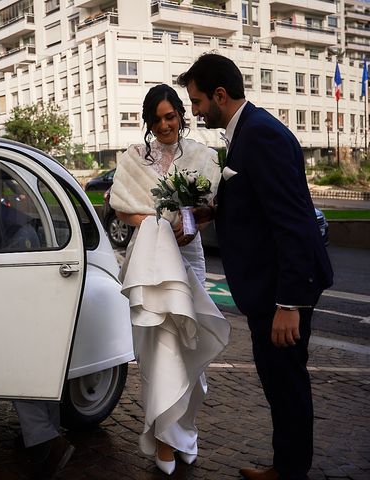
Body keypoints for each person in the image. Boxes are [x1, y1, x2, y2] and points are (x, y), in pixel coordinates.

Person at [177, 53, 333, 480]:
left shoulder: (260, 135)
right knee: (277, 382)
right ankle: (284, 465)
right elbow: (259, 205)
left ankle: (290, 471)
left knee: (286, 384)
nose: (194, 110)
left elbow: (293, 223)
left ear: (220, 95)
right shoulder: (247, 130)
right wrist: (214, 213)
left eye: (196, 101)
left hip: (279, 290)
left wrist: (290, 303)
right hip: (267, 286)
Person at [109, 84, 230, 475]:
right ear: (148, 122)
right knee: (162, 346)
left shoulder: (200, 156)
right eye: (156, 119)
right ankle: (163, 439)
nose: (164, 125)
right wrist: (157, 223)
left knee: (191, 345)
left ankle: (185, 433)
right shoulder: (134, 158)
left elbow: (203, 209)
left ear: (180, 115)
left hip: (188, 258)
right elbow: (124, 210)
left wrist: (188, 223)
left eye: (170, 116)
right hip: (152, 261)